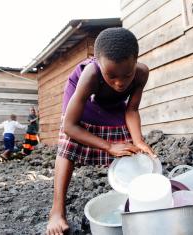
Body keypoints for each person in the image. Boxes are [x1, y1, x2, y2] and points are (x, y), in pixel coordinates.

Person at [46, 28, 156, 235]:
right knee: (69, 146)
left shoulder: (142, 73)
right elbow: (70, 126)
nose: (120, 82)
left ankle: (133, 204)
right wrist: (108, 146)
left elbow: (131, 109)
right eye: (111, 75)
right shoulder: (91, 73)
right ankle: (57, 210)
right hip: (83, 98)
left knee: (131, 148)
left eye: (127, 74)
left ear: (136, 61)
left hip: (112, 103)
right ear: (98, 62)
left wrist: (139, 140)